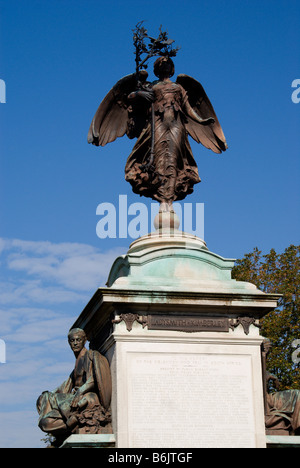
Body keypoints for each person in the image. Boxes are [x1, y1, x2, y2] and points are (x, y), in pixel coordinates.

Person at [36, 328, 112, 443]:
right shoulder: (77, 362)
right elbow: (66, 385)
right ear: (69, 342)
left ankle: (74, 422)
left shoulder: (90, 356)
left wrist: (80, 392)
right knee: (45, 422)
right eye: (72, 341)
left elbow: (93, 379)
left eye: (78, 340)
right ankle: (71, 424)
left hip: (87, 398)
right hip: (74, 399)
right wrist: (47, 395)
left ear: (84, 340)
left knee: (52, 405)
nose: (75, 343)